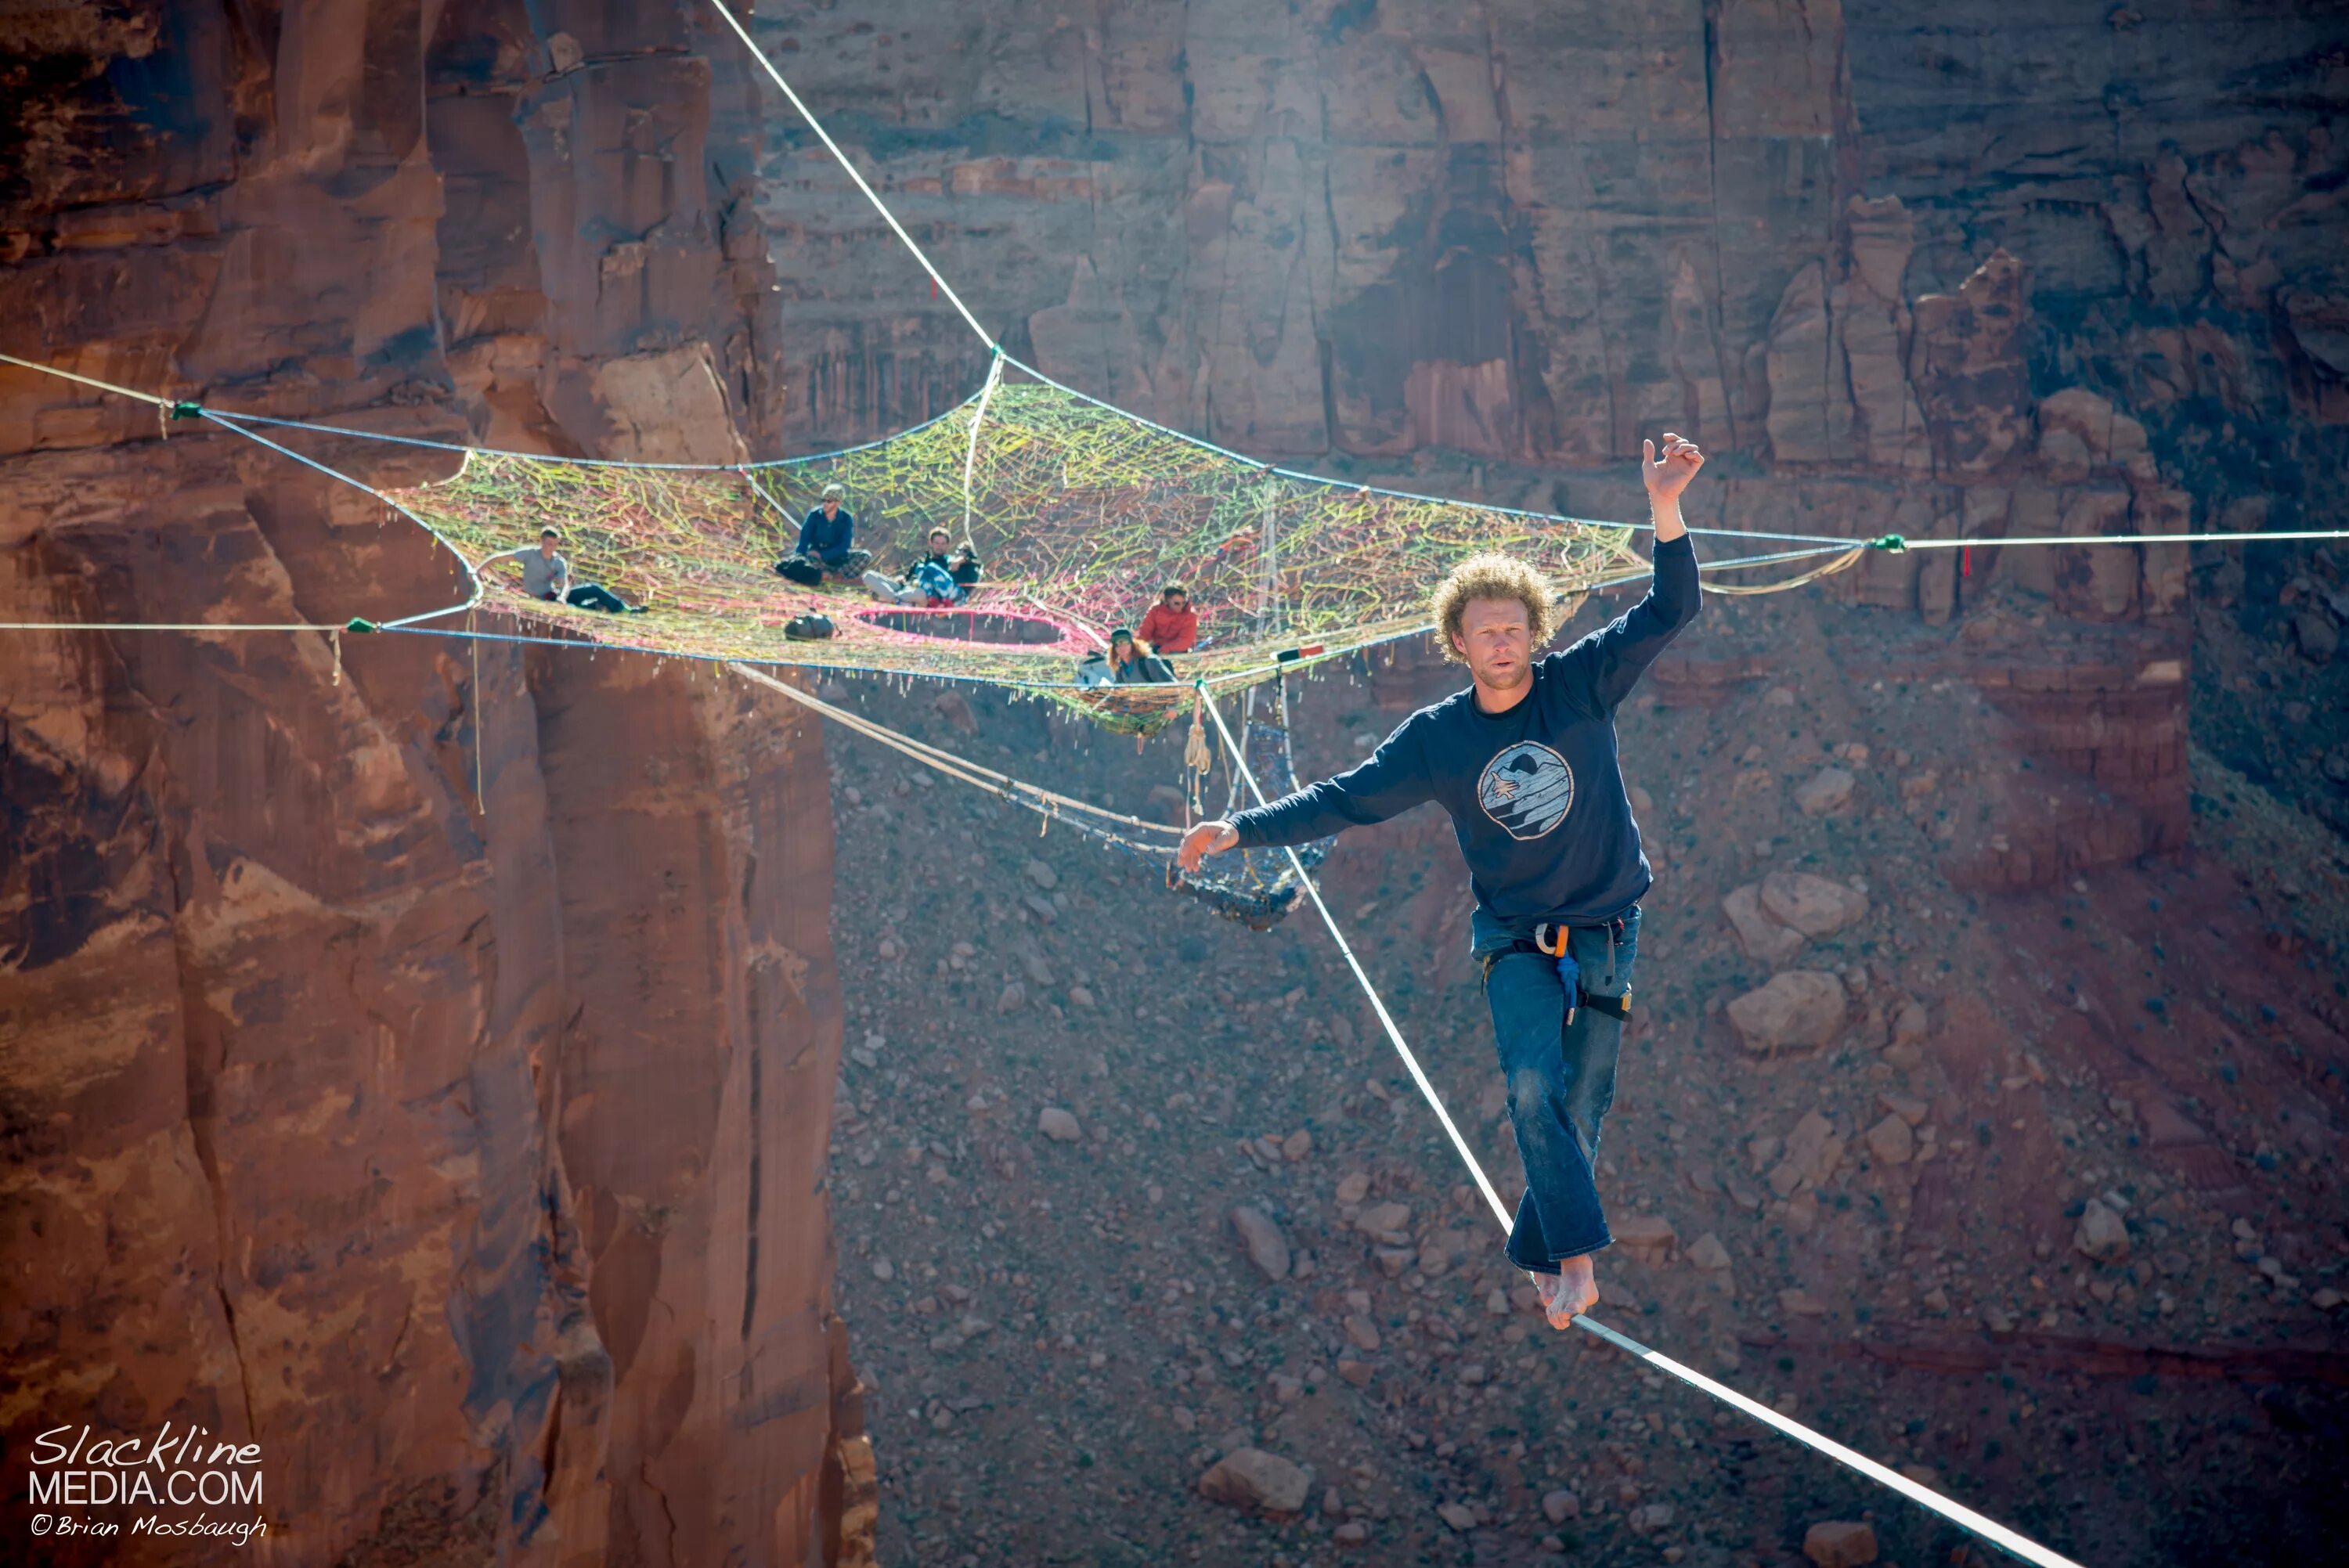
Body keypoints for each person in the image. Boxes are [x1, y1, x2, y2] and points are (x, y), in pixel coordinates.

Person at [1178, 432, 1708, 1332]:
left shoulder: (1579, 684)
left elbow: (1671, 609)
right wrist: (1240, 830)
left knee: (1583, 1100)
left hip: (1610, 928)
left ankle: (1543, 1253)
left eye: (1515, 628)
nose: (1501, 642)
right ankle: (1574, 1266)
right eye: (1484, 630)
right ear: (1456, 640)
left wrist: (1664, 505)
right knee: (1536, 1087)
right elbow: (1347, 799)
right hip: (1514, 941)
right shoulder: (1438, 738)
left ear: (1534, 633)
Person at [494, 528, 648, 613]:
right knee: (573, 609)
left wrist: (562, 596)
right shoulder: (530, 554)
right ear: (541, 542)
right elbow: (499, 558)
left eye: (555, 544)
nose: (552, 548)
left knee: (593, 588)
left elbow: (565, 584)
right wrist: (477, 570)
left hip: (555, 597)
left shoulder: (558, 561)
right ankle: (594, 607)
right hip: (541, 601)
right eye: (549, 544)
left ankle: (625, 610)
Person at [774, 482, 871, 582]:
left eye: (829, 501)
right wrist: (800, 556)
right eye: (823, 500)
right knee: (804, 561)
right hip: (815, 557)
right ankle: (824, 575)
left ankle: (834, 576)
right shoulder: (814, 515)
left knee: (864, 556)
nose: (825, 504)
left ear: (838, 503)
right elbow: (804, 539)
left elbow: (845, 545)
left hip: (837, 558)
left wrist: (823, 554)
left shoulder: (846, 518)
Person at [863, 528, 983, 607]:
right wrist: (902, 579)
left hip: (923, 595)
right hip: (906, 589)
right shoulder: (920, 561)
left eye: (943, 544)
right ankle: (896, 600)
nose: (939, 547)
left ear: (948, 545)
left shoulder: (951, 562)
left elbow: (977, 564)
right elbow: (907, 578)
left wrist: (964, 559)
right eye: (936, 543)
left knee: (918, 592)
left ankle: (888, 597)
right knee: (869, 576)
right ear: (930, 543)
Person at [1137, 582, 1198, 654]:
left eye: (1184, 603)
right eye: (1177, 603)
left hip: (1178, 650)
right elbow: (1145, 632)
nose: (1181, 606)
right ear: (1166, 601)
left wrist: (1167, 648)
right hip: (1157, 647)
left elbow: (1185, 640)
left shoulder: (1190, 614)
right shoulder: (1156, 610)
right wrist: (1137, 647)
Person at [1106, 627, 1173, 683]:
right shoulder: (1120, 669)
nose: (1122, 647)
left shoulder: (1149, 661)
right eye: (1117, 644)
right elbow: (1117, 693)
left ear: (1132, 644)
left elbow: (1170, 686)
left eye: (1125, 642)